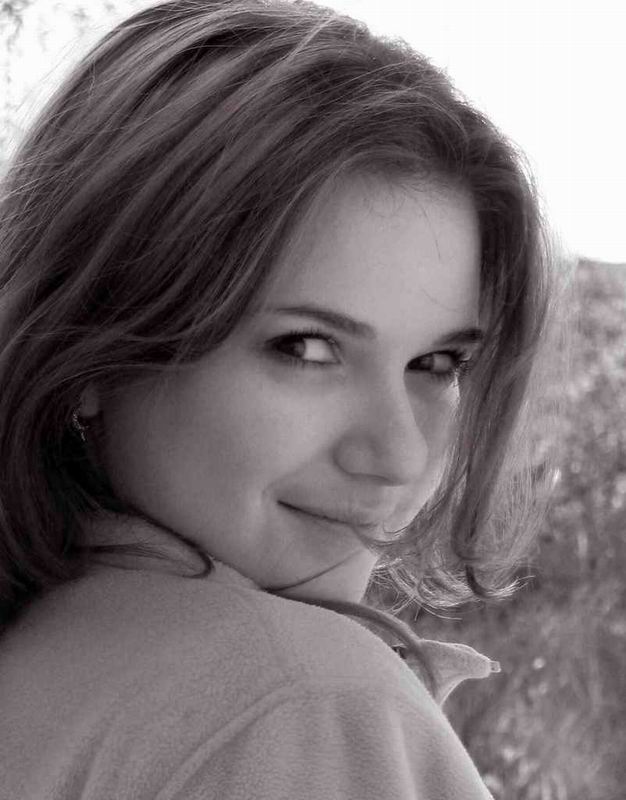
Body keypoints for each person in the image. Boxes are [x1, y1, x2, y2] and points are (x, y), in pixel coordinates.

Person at [0, 0, 554, 797]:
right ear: (90, 347)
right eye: (306, 349)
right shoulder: (302, 706)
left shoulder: (45, 653)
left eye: (437, 363)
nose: (399, 455)